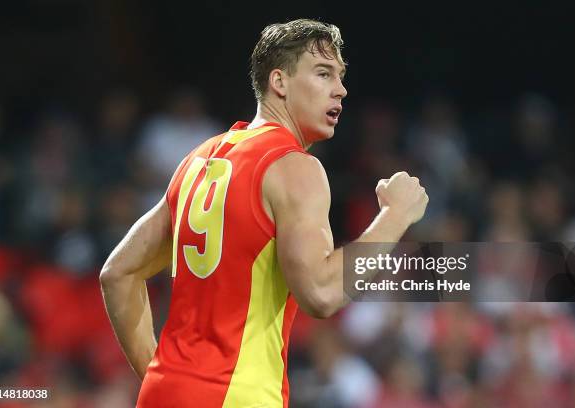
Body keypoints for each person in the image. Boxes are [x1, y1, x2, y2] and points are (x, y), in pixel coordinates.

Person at [100, 18, 428, 408]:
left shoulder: (199, 159)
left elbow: (118, 273)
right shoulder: (293, 166)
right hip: (240, 395)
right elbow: (321, 293)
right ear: (280, 82)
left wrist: (163, 375)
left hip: (166, 392)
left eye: (340, 76)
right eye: (323, 74)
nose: (340, 89)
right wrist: (395, 215)